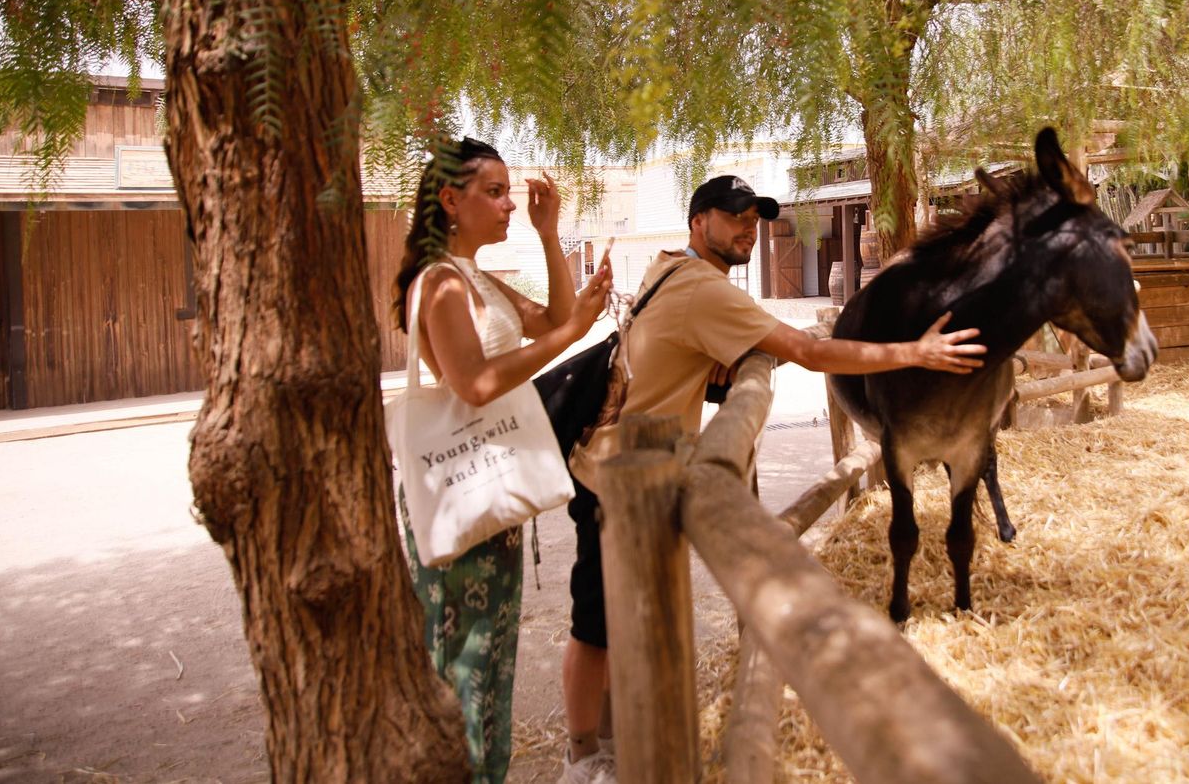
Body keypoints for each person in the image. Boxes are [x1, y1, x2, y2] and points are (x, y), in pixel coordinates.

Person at [557, 174, 985, 783]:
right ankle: (578, 758)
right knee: (594, 621)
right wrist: (913, 353)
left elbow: (690, 357)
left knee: (613, 614)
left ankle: (606, 739)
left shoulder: (666, 268)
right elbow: (808, 353)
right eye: (733, 218)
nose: (747, 231)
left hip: (614, 460)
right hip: (617, 474)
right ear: (697, 222)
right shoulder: (705, 290)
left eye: (754, 221)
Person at [394, 137, 612, 784]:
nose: (509, 204)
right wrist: (572, 335)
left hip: (487, 487)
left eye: (510, 191)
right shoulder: (438, 282)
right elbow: (476, 383)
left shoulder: (475, 277)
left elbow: (554, 320)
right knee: (464, 664)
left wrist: (550, 235)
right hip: (465, 485)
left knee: (489, 664)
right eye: (495, 192)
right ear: (450, 201)